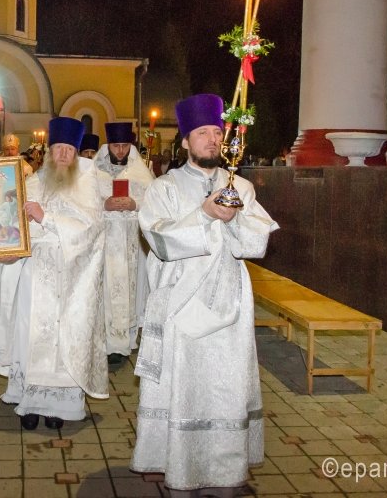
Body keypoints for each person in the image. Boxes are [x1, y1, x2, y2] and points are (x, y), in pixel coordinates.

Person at [131, 94, 279, 496]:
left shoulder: (241, 186)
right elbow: (158, 239)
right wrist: (205, 214)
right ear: (185, 141)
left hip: (230, 302)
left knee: (226, 386)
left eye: (217, 132)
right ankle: (175, 463)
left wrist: (233, 220)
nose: (212, 139)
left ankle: (225, 470)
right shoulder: (163, 187)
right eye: (202, 133)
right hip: (182, 303)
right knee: (183, 386)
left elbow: (256, 244)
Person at [0, 116, 107, 431]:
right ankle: (29, 400)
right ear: (49, 152)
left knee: (62, 338)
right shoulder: (31, 183)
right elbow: (11, 225)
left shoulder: (87, 184)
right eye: (58, 148)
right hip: (34, 273)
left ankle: (59, 406)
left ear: (77, 154)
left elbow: (92, 227)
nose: (64, 154)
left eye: (70, 149)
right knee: (30, 333)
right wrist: (8, 248)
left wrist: (46, 218)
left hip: (72, 278)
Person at [93, 121, 154, 364]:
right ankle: (102, 341)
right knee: (105, 291)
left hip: (131, 247)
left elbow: (155, 204)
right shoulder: (93, 172)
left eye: (125, 146)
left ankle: (122, 343)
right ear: (107, 146)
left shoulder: (141, 173)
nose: (120, 151)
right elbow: (82, 203)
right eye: (115, 146)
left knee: (128, 290)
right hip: (103, 244)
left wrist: (135, 204)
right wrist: (103, 204)